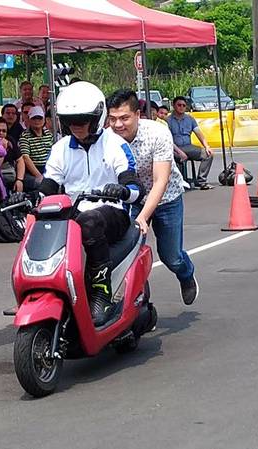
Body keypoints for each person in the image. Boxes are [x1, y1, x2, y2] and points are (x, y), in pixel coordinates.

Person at [41, 81, 145, 325]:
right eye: (70, 120)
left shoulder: (115, 144)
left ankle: (101, 293)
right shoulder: (60, 148)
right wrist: (29, 197)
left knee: (88, 222)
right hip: (75, 212)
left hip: (113, 213)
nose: (76, 126)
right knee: (40, 221)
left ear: (97, 117)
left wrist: (121, 190)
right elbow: (48, 185)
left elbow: (134, 187)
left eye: (82, 119)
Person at [107, 89, 198, 305]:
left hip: (166, 198)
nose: (118, 125)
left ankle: (186, 275)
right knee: (128, 256)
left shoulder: (158, 133)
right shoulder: (107, 138)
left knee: (171, 256)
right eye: (113, 119)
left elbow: (161, 180)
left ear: (138, 115)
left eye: (124, 118)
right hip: (132, 200)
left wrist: (143, 217)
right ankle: (140, 307)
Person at [167, 96, 214, 189]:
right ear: (174, 106)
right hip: (174, 148)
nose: (181, 107)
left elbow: (199, 134)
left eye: (184, 105)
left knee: (208, 154)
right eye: (179, 105)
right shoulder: (168, 120)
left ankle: (201, 181)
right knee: (175, 158)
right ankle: (179, 182)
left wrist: (207, 146)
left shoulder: (190, 119)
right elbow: (167, 139)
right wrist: (178, 151)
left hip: (189, 147)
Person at [18, 106, 54, 182]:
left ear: (44, 120)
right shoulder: (25, 136)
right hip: (32, 171)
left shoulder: (49, 134)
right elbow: (25, 157)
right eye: (34, 118)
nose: (37, 121)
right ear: (29, 119)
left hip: (49, 168)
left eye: (39, 118)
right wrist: (39, 176)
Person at [0, 117, 25, 192]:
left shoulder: (10, 140)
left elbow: (20, 160)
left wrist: (19, 180)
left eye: (4, 131)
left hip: (9, 176)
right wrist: (2, 150)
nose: (1, 133)